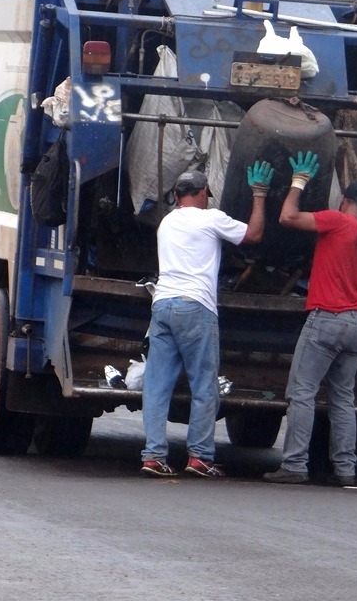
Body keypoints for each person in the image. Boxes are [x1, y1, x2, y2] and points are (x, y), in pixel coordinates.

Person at [141, 163, 272, 479]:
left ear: (175, 195)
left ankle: (153, 455)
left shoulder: (166, 223)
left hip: (162, 306)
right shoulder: (210, 218)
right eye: (205, 195)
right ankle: (199, 457)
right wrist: (259, 194)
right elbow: (254, 234)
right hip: (195, 307)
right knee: (204, 386)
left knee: (157, 386)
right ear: (201, 193)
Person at [263, 152, 357, 487]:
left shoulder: (337, 220)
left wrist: (298, 182)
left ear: (343, 202)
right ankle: (345, 470)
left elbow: (287, 217)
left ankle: (295, 465)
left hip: (327, 319)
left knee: (302, 392)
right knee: (343, 397)